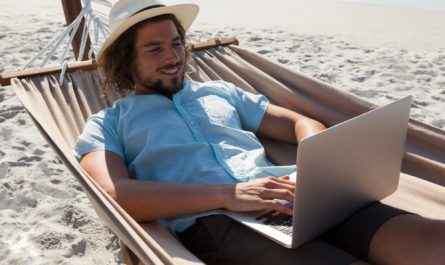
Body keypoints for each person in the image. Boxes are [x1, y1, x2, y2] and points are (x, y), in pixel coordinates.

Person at [74, 1, 445, 264]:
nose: (173, 57)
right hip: (218, 222)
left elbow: (298, 123)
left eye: (175, 43)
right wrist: (232, 194)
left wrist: (315, 154)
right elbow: (112, 195)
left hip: (294, 198)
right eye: (154, 49)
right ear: (126, 60)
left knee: (433, 240)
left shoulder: (220, 91)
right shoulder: (108, 123)